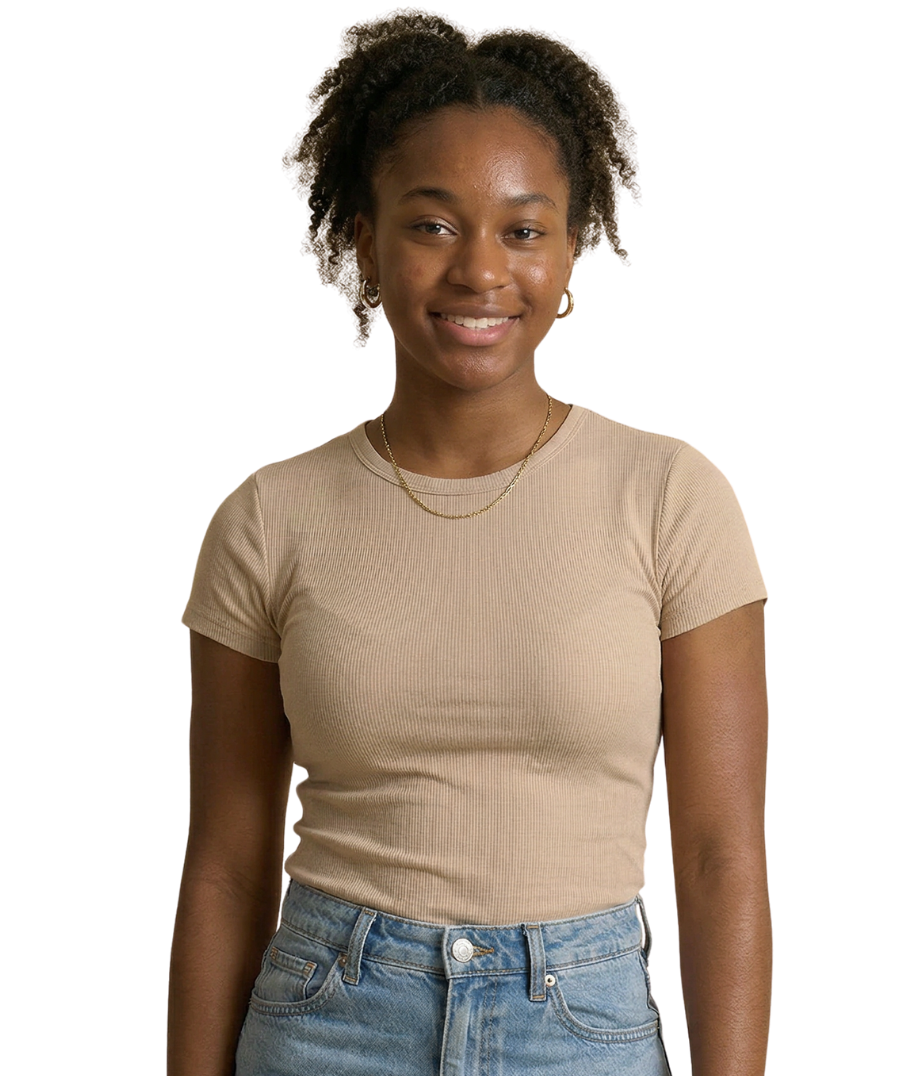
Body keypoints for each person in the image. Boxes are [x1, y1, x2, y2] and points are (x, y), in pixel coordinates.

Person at [167, 10, 771, 1076]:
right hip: (327, 1020)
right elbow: (225, 864)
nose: (480, 270)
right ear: (365, 239)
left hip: (579, 1027)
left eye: (523, 229)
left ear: (574, 245)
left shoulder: (672, 495)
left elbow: (721, 856)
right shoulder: (268, 515)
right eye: (433, 225)